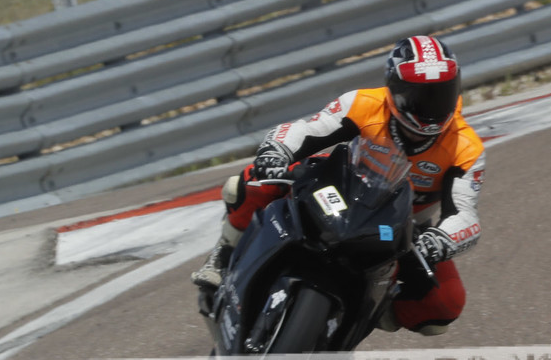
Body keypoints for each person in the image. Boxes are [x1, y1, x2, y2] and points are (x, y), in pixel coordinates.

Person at [191, 35, 485, 335]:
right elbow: (308, 130)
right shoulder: (363, 103)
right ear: (394, 89)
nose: (430, 108)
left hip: (405, 228)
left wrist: (439, 240)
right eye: (419, 96)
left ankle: (363, 316)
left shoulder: (466, 147)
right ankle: (224, 254)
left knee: (444, 305)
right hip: (342, 188)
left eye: (441, 94)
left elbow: (464, 215)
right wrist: (275, 152)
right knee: (254, 180)